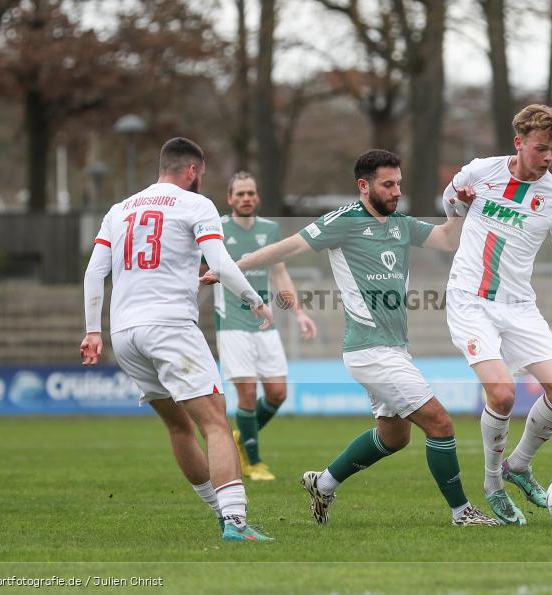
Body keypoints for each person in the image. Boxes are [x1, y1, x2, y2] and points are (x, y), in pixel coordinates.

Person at [203, 149, 498, 526]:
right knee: (440, 423)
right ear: (364, 186)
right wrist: (231, 266)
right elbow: (288, 247)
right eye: (388, 185)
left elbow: (445, 240)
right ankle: (462, 512)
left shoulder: (400, 223)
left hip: (394, 349)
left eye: (399, 184)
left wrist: (458, 210)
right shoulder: (342, 221)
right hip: (369, 350)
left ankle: (323, 483)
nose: (396, 192)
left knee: (394, 437)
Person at [80, 137, 274, 542]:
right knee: (217, 423)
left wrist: (93, 330)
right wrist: (255, 300)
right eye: (200, 175)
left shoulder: (119, 211)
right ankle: (236, 523)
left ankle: (223, 515)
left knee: (179, 427)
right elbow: (220, 262)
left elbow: (94, 273)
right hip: (169, 327)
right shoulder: (196, 204)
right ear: (191, 172)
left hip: (125, 334)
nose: (200, 181)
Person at [442, 104, 552, 526]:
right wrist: (459, 205)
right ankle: (494, 485)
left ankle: (518, 465)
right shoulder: (480, 172)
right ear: (519, 143)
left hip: (519, 306)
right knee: (501, 394)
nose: (548, 157)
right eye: (540, 148)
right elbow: (448, 209)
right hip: (470, 299)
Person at [214, 171, 317, 481]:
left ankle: (242, 437)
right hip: (231, 323)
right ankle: (253, 461)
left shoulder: (271, 230)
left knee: (277, 393)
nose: (246, 198)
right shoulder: (217, 229)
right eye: (240, 194)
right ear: (230, 198)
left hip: (264, 323)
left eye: (251, 193)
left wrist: (298, 313)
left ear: (257, 197)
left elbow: (280, 274)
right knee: (246, 394)